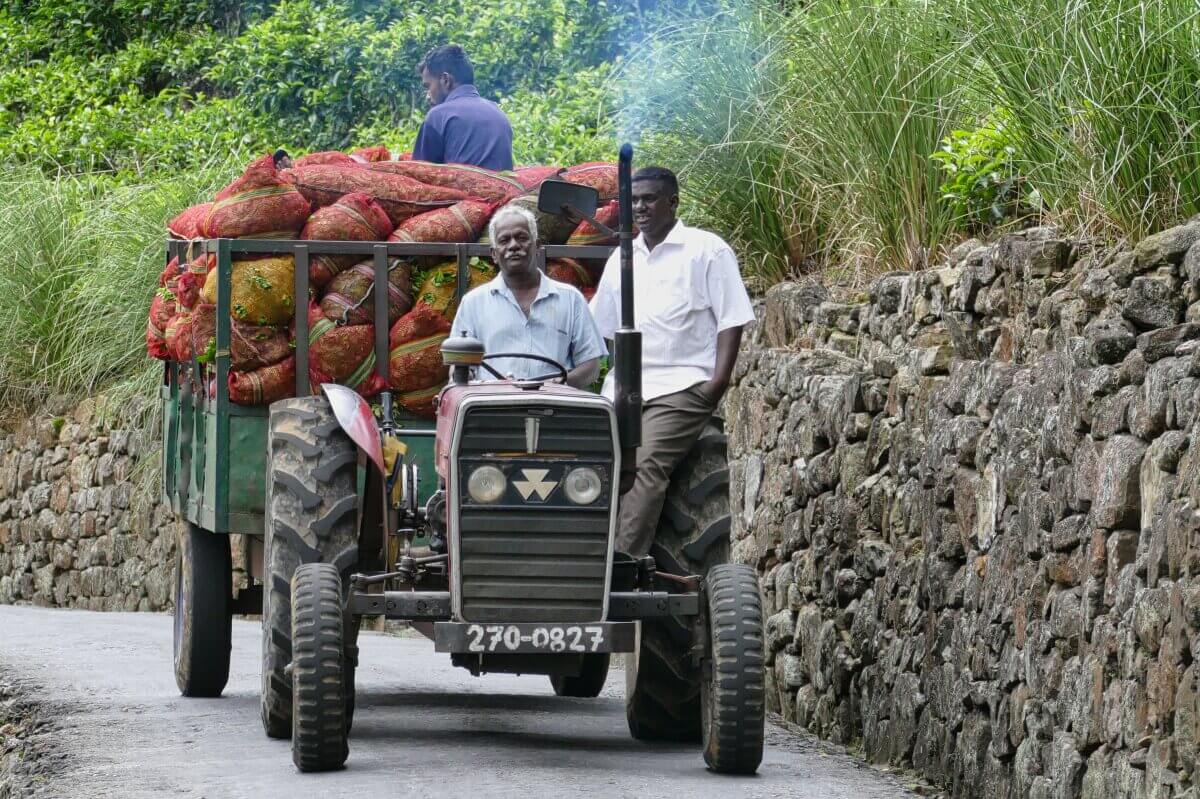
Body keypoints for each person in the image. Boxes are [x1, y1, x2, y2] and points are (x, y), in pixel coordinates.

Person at [589, 166, 755, 557]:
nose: (640, 207)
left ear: (673, 202)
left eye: (649, 199)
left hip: (682, 387)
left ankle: (620, 569)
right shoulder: (621, 259)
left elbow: (732, 320)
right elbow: (600, 328)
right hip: (624, 390)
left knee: (646, 466)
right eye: (634, 200)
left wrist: (716, 385)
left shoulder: (706, 250)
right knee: (590, 467)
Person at [451, 206, 605, 388]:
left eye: (522, 237)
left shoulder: (571, 299)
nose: (514, 245)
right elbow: (458, 369)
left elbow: (591, 366)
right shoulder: (473, 303)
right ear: (493, 254)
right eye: (504, 240)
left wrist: (556, 385)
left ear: (537, 246)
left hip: (554, 408)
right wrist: (468, 377)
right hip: (492, 409)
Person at [412, 44, 514, 172]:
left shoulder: (438, 116)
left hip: (460, 192)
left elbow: (418, 173)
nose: (427, 95)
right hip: (505, 190)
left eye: (428, 86)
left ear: (445, 80)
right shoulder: (499, 113)